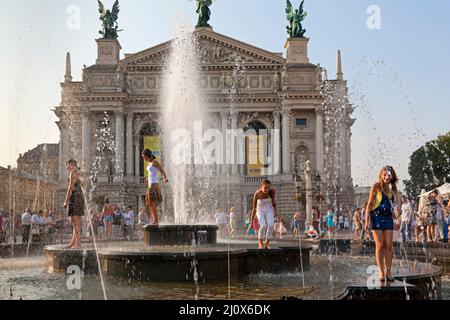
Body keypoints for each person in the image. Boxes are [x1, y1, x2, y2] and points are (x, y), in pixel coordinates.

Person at [364, 165, 401, 282]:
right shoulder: (375, 187)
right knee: (380, 245)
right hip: (376, 217)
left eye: (389, 175)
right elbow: (369, 204)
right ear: (381, 176)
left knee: (389, 246)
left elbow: (395, 207)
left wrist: (397, 218)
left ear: (392, 176)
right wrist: (366, 220)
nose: (386, 177)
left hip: (388, 218)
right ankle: (381, 270)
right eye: (384, 175)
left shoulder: (393, 189)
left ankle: (389, 271)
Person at [247, 179, 277, 250]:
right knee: (263, 225)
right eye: (265, 188)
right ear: (261, 187)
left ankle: (267, 243)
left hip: (268, 209)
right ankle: (260, 242)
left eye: (268, 187)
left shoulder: (272, 192)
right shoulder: (257, 194)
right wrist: (251, 223)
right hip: (259, 210)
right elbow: (254, 209)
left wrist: (275, 212)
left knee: (271, 225)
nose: (267, 189)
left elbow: (273, 203)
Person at [142, 149, 169, 226]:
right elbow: (151, 173)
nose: (144, 158)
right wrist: (147, 179)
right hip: (150, 184)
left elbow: (161, 170)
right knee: (148, 203)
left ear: (148, 155)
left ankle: (156, 221)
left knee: (152, 203)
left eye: (144, 157)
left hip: (154, 184)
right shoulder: (148, 163)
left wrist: (165, 178)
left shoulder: (155, 162)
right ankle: (154, 218)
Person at [63, 159, 85, 249]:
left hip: (75, 198)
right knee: (75, 221)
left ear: (71, 165)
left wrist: (66, 201)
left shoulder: (72, 173)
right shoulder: (79, 173)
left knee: (75, 222)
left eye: (67, 165)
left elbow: (70, 188)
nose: (67, 167)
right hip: (79, 198)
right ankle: (73, 242)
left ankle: (78, 244)